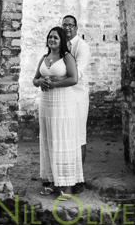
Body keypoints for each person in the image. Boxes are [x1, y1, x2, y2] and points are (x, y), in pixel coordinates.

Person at [33, 26, 83, 196]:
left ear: (61, 41)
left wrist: (54, 84)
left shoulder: (67, 57)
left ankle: (67, 186)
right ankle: (54, 182)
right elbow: (35, 79)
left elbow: (74, 78)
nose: (52, 40)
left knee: (63, 141)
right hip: (46, 104)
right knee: (50, 142)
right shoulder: (44, 57)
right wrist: (40, 83)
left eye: (55, 38)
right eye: (50, 37)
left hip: (63, 104)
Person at [62, 15, 91, 193]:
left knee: (79, 137)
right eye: (64, 25)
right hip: (62, 96)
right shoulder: (60, 45)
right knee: (64, 137)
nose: (67, 28)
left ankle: (78, 179)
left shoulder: (82, 47)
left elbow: (77, 74)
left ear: (76, 28)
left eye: (70, 25)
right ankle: (63, 176)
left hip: (78, 96)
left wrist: (55, 76)